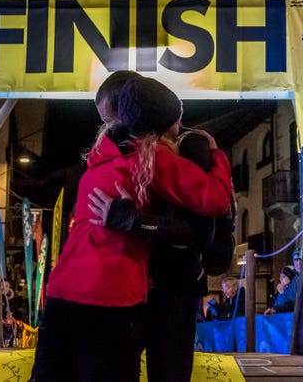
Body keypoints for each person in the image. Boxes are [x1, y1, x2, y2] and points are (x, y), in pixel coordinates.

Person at [29, 74, 232, 382]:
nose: (109, 122)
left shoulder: (99, 158)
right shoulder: (152, 157)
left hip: (64, 290)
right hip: (114, 294)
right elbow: (213, 202)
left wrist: (137, 220)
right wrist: (217, 155)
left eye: (111, 114)